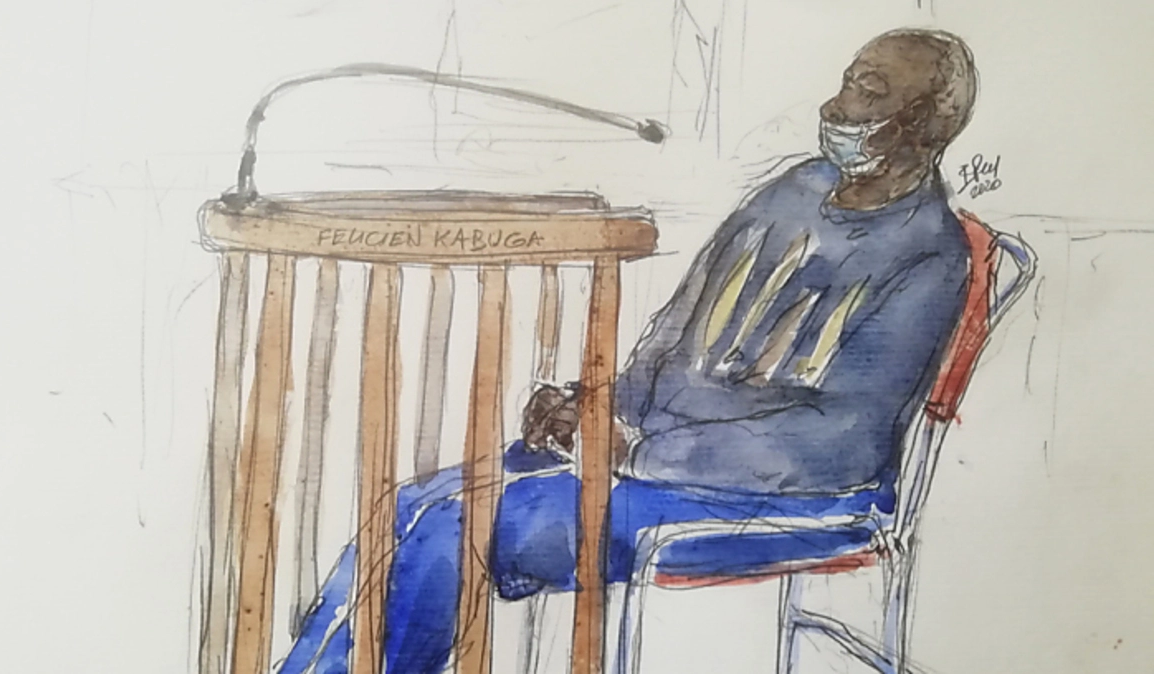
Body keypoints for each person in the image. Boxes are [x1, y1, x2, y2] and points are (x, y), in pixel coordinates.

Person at [280, 27, 979, 674]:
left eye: (868, 91)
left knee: (453, 527)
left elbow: (841, 442)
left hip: (784, 496)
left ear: (921, 126)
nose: (836, 105)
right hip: (654, 458)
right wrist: (594, 406)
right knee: (410, 506)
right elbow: (674, 337)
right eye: (848, 81)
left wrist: (638, 452)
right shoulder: (792, 191)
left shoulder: (930, 254)